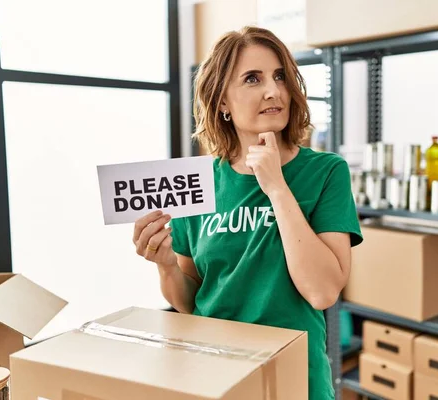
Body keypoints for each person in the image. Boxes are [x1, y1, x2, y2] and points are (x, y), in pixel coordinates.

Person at [132, 26, 363, 399]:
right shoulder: (200, 179)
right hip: (216, 376)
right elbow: (191, 303)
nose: (273, 91)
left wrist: (276, 187)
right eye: (252, 79)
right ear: (222, 101)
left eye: (280, 76)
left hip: (295, 380)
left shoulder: (326, 172)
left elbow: (322, 292)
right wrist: (165, 265)